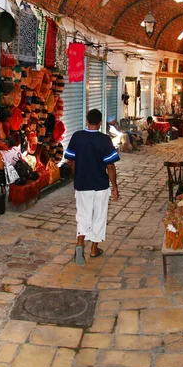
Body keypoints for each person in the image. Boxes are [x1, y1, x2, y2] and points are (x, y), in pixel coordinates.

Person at [64, 109, 120, 266]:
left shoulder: (77, 137)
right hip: (100, 185)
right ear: (101, 122)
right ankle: (94, 249)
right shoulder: (104, 140)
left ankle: (80, 243)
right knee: (100, 215)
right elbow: (110, 166)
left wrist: (76, 178)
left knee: (83, 214)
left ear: (86, 120)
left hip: (82, 184)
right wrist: (114, 187)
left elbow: (71, 161)